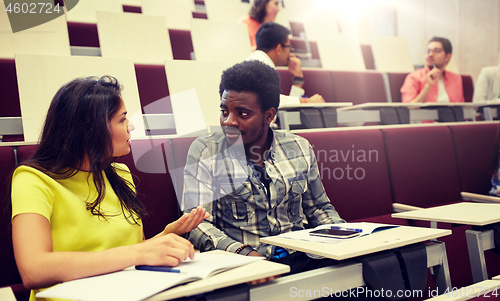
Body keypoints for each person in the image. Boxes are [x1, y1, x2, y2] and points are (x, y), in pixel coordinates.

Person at [9, 76, 208, 300]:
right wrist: (139, 251)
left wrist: (166, 236)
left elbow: (129, 250)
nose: (131, 126)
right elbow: (34, 269)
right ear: (92, 130)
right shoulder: (32, 179)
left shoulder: (120, 174)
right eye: (122, 120)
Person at [182, 60, 344, 279]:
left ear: (269, 116)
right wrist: (243, 254)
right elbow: (196, 224)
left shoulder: (299, 146)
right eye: (224, 111)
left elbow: (318, 208)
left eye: (243, 114)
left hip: (305, 257)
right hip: (244, 265)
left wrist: (345, 237)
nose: (229, 122)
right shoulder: (205, 151)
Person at [246, 22, 325, 105]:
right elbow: (268, 102)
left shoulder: (256, 61)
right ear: (279, 48)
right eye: (289, 47)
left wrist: (298, 78)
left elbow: (287, 108)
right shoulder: (261, 66)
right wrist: (307, 101)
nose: (290, 53)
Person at [401, 37, 464, 103]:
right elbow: (409, 107)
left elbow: (461, 107)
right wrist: (428, 86)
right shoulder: (414, 77)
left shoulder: (456, 79)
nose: (430, 54)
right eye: (428, 51)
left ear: (447, 57)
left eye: (437, 51)